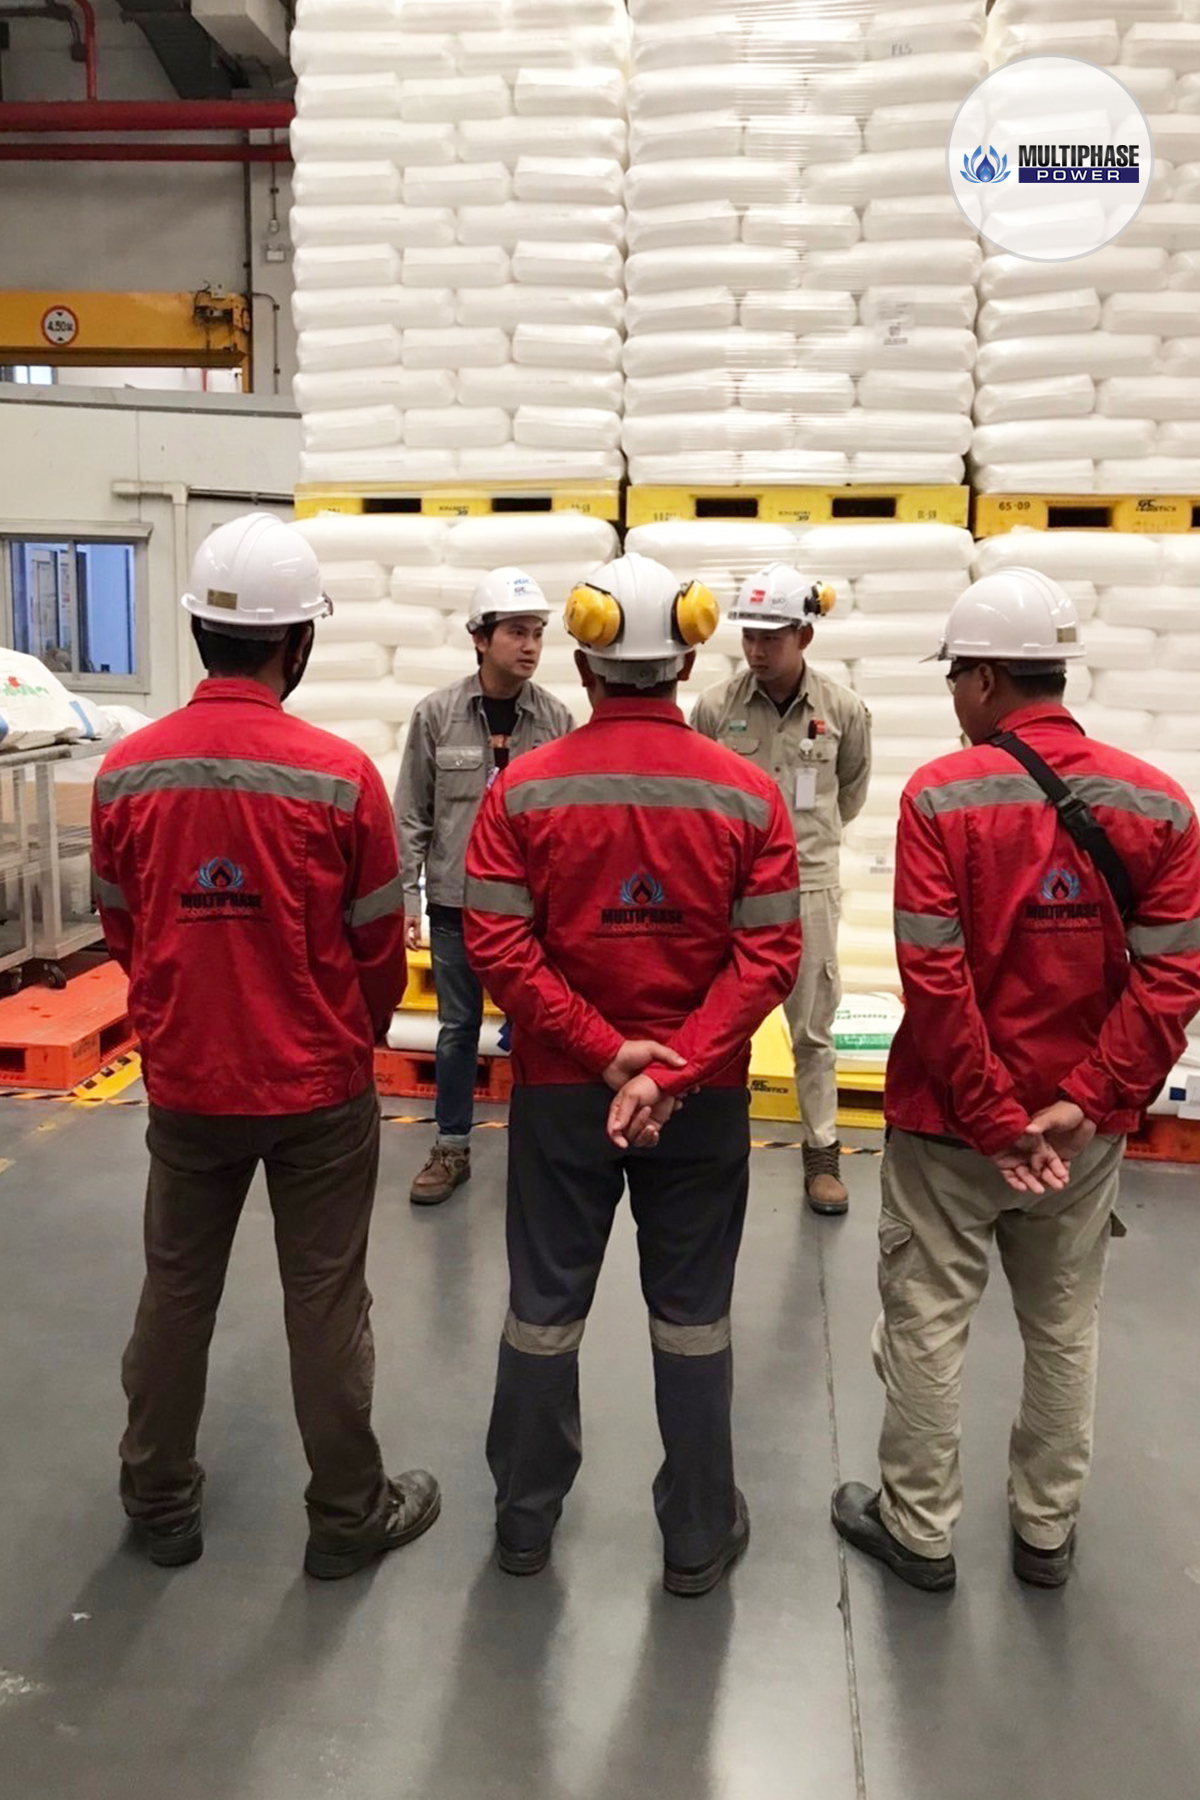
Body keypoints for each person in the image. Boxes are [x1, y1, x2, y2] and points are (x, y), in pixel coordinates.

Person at [833, 569, 1200, 1593]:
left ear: (987, 678)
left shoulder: (940, 797)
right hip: (1081, 1140)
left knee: (927, 1320)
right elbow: (1175, 976)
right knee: (1064, 1327)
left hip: (951, 1127)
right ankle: (1045, 1530)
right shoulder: (1160, 805)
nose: (955, 696)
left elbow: (933, 972)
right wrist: (1087, 1100)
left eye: (957, 677)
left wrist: (994, 1116)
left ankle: (919, 1531)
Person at [91, 512, 439, 1578]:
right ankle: (347, 1515)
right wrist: (350, 1037)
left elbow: (121, 926)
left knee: (175, 1291)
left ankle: (158, 1502)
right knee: (325, 1302)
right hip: (316, 1090)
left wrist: (179, 1018)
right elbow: (378, 948)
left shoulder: (127, 773)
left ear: (201, 630)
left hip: (189, 1083)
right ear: (299, 640)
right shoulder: (339, 778)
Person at [463, 552, 804, 1595]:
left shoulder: (522, 789)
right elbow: (770, 957)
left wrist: (605, 1052)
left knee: (543, 1307)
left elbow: (496, 942)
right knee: (693, 1315)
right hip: (699, 1104)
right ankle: (696, 1536)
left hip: (564, 1092)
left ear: (584, 661)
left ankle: (524, 1524)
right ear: (690, 658)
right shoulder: (750, 796)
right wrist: (674, 1069)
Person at [692, 564, 872, 1216]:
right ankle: (710, 1149)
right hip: (731, 894)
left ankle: (821, 1154)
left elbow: (848, 795)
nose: (758, 650)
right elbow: (697, 797)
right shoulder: (715, 709)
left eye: (772, 637)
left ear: (804, 636)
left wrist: (806, 851)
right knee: (718, 1025)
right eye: (749, 636)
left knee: (813, 1032)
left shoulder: (842, 712)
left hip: (807, 889)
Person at [396, 568, 574, 1206]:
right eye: (516, 632)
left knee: (538, 1029)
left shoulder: (555, 720)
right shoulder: (437, 715)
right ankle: (451, 1147)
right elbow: (412, 813)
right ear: (480, 637)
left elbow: (570, 823)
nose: (530, 646)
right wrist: (408, 897)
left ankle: (538, 1149)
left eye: (537, 634)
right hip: (456, 906)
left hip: (529, 911)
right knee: (456, 1030)